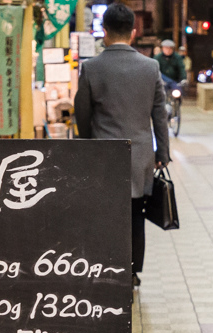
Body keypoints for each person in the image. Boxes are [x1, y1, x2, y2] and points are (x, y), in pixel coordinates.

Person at [75, 2, 170, 289]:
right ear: (133, 32)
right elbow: (160, 116)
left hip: (104, 157)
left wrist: (90, 145)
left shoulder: (91, 68)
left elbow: (83, 116)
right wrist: (162, 154)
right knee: (135, 215)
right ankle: (131, 272)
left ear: (104, 32)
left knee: (105, 215)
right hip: (140, 157)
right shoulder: (150, 67)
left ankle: (107, 269)